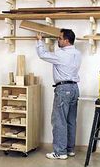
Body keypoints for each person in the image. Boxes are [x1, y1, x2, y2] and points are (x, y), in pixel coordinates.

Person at [36, 29, 81, 160]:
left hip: (63, 89)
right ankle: (69, 149)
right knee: (70, 120)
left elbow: (42, 54)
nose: (58, 40)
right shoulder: (77, 53)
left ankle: (60, 152)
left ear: (67, 40)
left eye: (60, 38)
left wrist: (39, 40)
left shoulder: (61, 55)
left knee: (59, 121)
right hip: (74, 89)